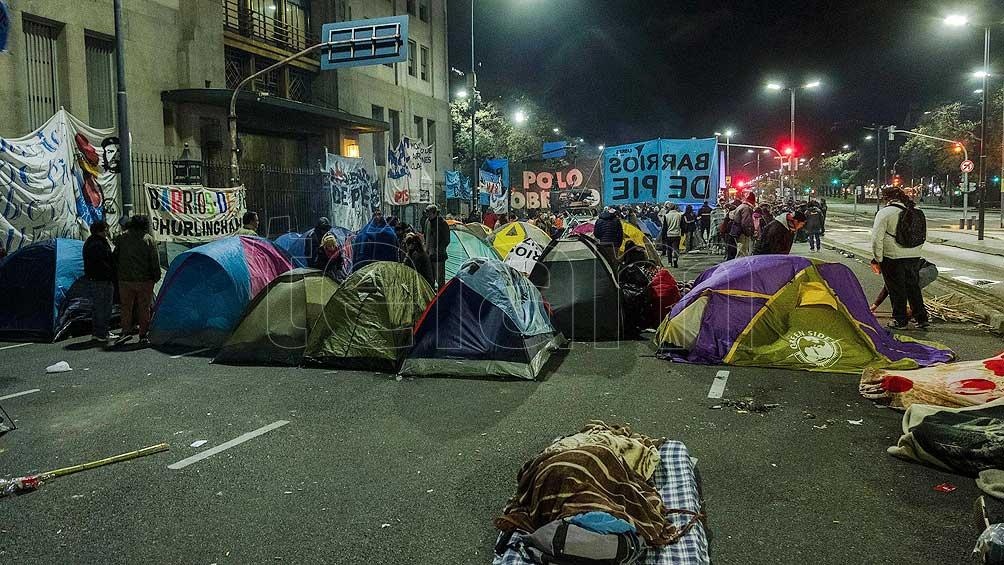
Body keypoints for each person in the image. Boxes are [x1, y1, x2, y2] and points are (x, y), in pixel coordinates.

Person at [871, 187, 930, 330]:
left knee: (896, 290)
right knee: (913, 288)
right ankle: (921, 318)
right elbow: (922, 235)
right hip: (913, 256)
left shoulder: (885, 213)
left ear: (886, 198)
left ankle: (900, 320)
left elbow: (876, 239)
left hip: (892, 257)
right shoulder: (915, 211)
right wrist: (915, 251)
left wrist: (878, 258)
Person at [113, 215, 161, 345]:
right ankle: (143, 334)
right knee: (144, 308)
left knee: (126, 307)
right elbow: (154, 260)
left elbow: (115, 256)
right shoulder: (148, 239)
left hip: (125, 279)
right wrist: (156, 276)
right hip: (144, 280)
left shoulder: (122, 238)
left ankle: (125, 331)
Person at [83, 220, 115, 343]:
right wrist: (111, 273)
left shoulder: (90, 242)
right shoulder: (99, 244)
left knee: (98, 307)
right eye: (106, 229)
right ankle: (102, 332)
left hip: (95, 278)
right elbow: (104, 262)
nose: (107, 232)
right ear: (100, 230)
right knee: (104, 307)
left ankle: (98, 332)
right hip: (102, 279)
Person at [423, 204, 451, 289]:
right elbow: (425, 235)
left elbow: (446, 240)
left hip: (439, 256)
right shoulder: (427, 221)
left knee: (440, 279)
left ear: (435, 213)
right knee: (429, 278)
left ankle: (442, 295)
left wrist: (437, 249)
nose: (427, 215)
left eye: (429, 213)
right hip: (429, 255)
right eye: (427, 213)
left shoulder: (442, 223)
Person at [660, 203, 682, 268]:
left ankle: (669, 262)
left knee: (669, 249)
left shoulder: (666, 216)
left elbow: (665, 227)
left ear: (669, 208)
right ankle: (675, 260)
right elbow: (682, 225)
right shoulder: (679, 215)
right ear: (675, 207)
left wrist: (663, 235)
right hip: (677, 234)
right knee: (676, 248)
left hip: (669, 235)